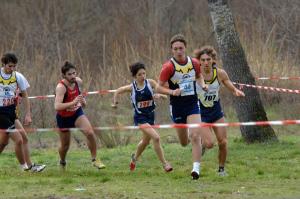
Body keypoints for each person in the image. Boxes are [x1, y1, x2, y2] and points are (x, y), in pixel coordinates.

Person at [158, 34, 213, 180]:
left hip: (192, 104)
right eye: (175, 49)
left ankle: (196, 170)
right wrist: (171, 91)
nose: (179, 51)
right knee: (183, 142)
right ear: (172, 51)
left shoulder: (194, 63)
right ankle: (196, 145)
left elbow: (199, 76)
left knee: (194, 135)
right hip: (177, 107)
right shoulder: (168, 67)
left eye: (181, 48)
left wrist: (203, 85)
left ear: (185, 48)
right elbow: (158, 88)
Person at [112, 62, 181, 172]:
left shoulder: (150, 82)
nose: (143, 76)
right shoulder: (132, 87)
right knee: (156, 138)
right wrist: (115, 102)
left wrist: (161, 95)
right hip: (140, 118)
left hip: (150, 116)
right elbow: (118, 91)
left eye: (144, 73)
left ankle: (134, 158)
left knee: (145, 142)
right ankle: (165, 164)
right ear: (135, 76)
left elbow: (159, 89)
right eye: (140, 74)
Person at [194, 45, 245, 176]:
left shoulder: (220, 73)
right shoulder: (195, 75)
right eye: (203, 60)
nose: (206, 62)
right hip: (201, 114)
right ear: (199, 61)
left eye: (208, 59)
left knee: (223, 142)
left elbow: (229, 85)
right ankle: (202, 144)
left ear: (213, 60)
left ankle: (221, 170)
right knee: (210, 144)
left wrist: (236, 91)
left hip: (216, 112)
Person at [54, 61, 105, 169]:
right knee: (65, 146)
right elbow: (57, 106)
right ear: (64, 75)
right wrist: (73, 102)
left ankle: (95, 159)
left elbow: (79, 96)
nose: (73, 76)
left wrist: (82, 102)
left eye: (74, 73)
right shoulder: (61, 87)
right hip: (63, 118)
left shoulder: (78, 81)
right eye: (69, 74)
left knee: (90, 133)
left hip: (77, 113)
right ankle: (62, 161)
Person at [0, 52, 36, 171]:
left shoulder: (18, 76)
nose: (12, 68)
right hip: (1, 113)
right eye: (10, 66)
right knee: (19, 139)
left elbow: (25, 95)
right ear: (3, 64)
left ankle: (31, 166)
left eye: (14, 66)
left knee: (17, 140)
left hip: (11, 112)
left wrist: (28, 114)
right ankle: (24, 168)